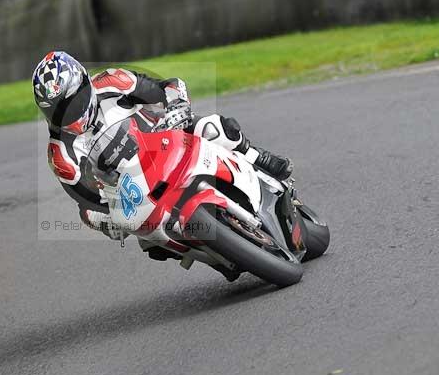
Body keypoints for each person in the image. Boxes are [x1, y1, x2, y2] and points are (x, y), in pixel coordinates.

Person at [33, 51, 292, 271]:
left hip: (170, 139)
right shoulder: (61, 154)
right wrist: (105, 221)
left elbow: (168, 87)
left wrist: (176, 106)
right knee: (152, 242)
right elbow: (86, 204)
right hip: (138, 192)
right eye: (56, 110)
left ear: (85, 84)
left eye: (72, 102)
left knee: (213, 127)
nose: (67, 114)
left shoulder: (113, 82)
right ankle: (221, 255)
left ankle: (259, 158)